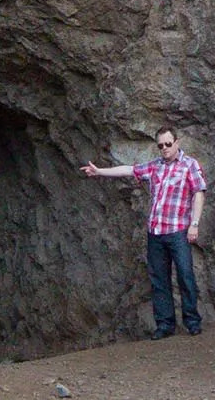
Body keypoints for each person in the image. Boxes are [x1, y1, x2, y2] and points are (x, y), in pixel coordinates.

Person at [81, 128, 207, 339]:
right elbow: (129, 170)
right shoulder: (155, 166)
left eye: (168, 144)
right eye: (160, 145)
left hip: (178, 231)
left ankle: (192, 322)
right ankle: (165, 325)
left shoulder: (190, 165)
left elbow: (199, 193)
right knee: (159, 279)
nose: (164, 149)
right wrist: (100, 171)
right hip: (155, 232)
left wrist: (194, 224)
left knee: (185, 275)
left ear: (177, 142)